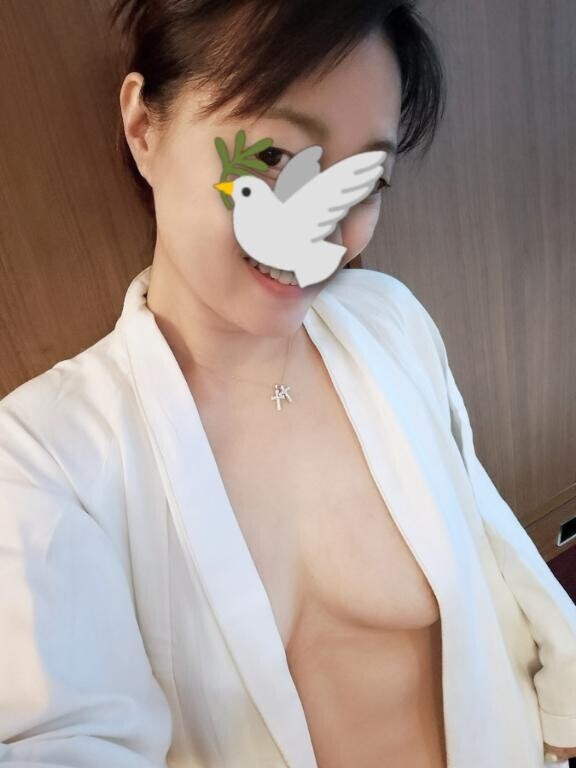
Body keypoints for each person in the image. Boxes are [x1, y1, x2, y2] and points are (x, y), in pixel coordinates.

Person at [1, 1, 575, 766]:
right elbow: (62, 735)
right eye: (274, 157)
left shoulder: (390, 322)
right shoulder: (46, 460)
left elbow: (488, 534)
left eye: (364, 180)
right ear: (145, 129)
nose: (324, 231)